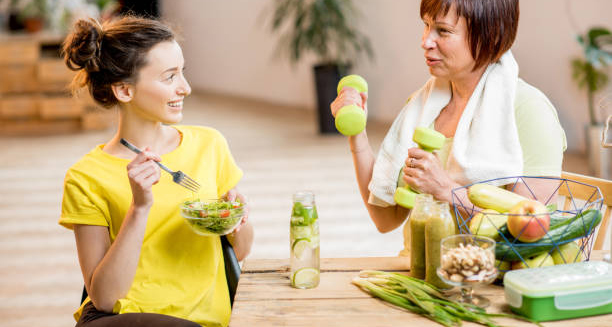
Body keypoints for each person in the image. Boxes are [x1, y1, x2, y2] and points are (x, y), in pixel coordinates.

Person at [59, 16, 253, 327]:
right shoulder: (86, 177)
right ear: (124, 90)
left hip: (205, 319)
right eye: (169, 77)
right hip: (126, 319)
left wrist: (235, 221)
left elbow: (240, 252)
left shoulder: (209, 145)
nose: (185, 88)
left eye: (182, 73)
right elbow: (105, 298)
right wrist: (139, 207)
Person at [330, 0, 566, 239]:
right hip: (419, 270)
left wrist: (445, 189)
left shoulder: (530, 111)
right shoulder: (421, 108)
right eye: (426, 26)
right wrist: (356, 133)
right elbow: (385, 219)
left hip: (488, 273)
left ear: (491, 36)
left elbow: (532, 235)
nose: (425, 42)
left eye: (443, 31)